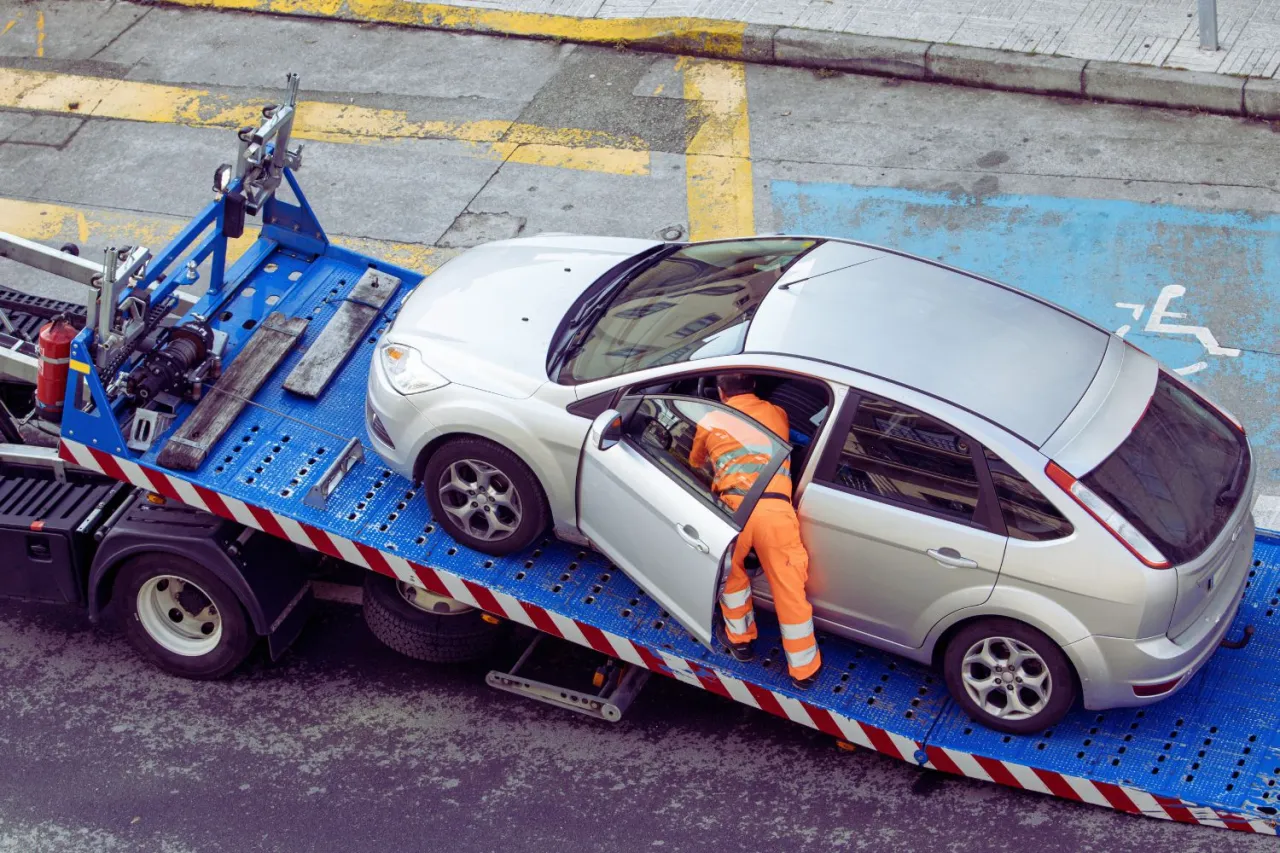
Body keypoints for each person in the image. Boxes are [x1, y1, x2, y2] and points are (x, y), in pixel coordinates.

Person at [688, 374, 822, 689]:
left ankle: (741, 642)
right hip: (775, 511)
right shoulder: (777, 413)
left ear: (720, 392)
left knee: (732, 578)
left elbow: (695, 461)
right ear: (754, 387)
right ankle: (804, 670)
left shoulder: (710, 420)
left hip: (733, 512)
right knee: (789, 589)